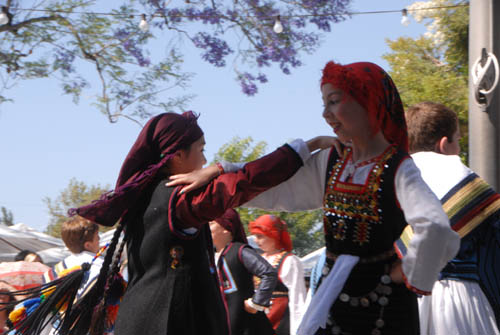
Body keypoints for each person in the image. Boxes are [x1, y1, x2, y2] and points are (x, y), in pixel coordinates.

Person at [175, 62, 461, 335]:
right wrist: (219, 173)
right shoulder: (332, 160)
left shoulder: (397, 165)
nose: (326, 114)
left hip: (384, 304)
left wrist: (408, 272)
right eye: (324, 104)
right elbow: (273, 185)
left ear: (368, 101)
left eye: (334, 101)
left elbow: (435, 227)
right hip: (334, 297)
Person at [66, 111, 333, 335]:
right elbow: (246, 182)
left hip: (137, 320)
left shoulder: (141, 197)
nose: (204, 160)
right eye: (200, 150)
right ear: (176, 156)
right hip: (172, 324)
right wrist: (306, 147)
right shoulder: (182, 197)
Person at [405, 101, 500, 334]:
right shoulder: (469, 187)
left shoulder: (392, 181)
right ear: (444, 144)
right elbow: (493, 259)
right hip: (460, 304)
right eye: (458, 140)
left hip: (401, 302)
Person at [210, 209, 276, 335]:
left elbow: (268, 273)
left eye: (211, 223)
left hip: (247, 325)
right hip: (222, 324)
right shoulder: (210, 257)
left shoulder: (240, 251)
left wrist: (256, 302)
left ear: (226, 228)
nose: (206, 228)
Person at [248, 214, 306, 335]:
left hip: (281, 321)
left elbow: (298, 297)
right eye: (255, 236)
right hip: (259, 319)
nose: (255, 240)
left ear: (273, 236)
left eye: (260, 236)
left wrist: (299, 329)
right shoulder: (258, 259)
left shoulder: (290, 261)